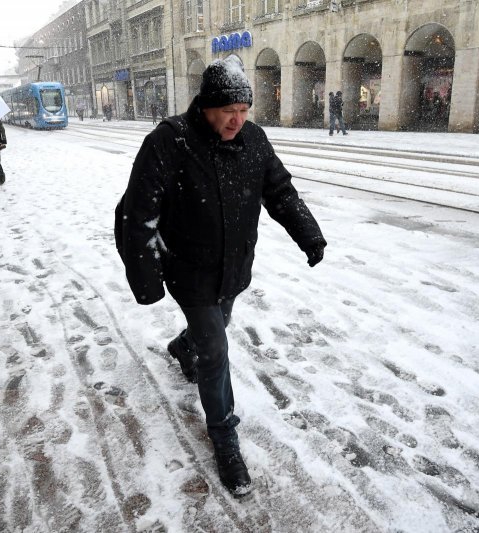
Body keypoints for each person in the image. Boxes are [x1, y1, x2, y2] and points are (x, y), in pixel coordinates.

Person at [115, 56, 327, 496]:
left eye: (244, 109)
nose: (237, 119)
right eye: (229, 110)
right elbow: (138, 213)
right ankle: (224, 435)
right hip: (188, 269)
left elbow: (280, 191)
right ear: (207, 106)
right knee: (215, 350)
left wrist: (309, 234)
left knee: (216, 326)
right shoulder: (171, 141)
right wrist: (148, 279)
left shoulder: (254, 140)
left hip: (234, 266)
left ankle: (181, 345)